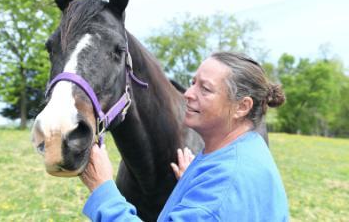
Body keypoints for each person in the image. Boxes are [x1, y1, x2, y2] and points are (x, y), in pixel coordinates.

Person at [80, 52, 289, 221]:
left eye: (205, 89)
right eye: (192, 82)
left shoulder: (226, 182)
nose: (188, 93)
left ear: (242, 107)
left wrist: (102, 189)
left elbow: (222, 197)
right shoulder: (246, 149)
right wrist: (195, 181)